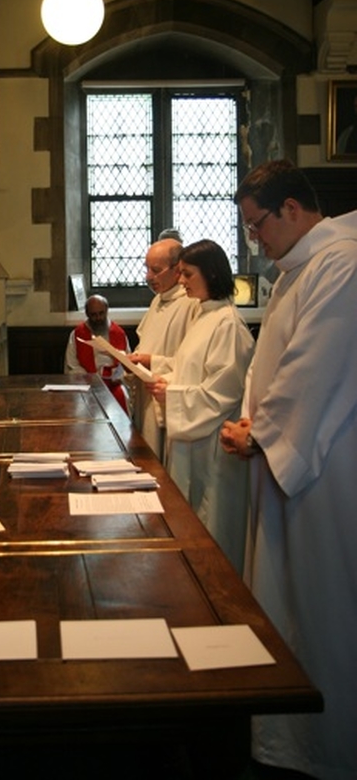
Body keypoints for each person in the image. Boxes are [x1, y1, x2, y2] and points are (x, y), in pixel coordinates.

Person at [220, 160, 357, 780]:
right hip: (283, 453)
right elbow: (268, 368)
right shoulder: (298, 270)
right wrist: (256, 422)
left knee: (321, 605)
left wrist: (265, 432)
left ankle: (325, 747)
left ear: (293, 209)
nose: (256, 240)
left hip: (325, 468)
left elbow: (314, 368)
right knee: (286, 600)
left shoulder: (342, 264)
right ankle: (285, 739)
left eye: (257, 226)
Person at [137, 240, 254, 572]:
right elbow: (188, 369)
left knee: (212, 526)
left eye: (188, 273)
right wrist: (166, 382)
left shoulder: (228, 324)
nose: (182, 280)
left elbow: (223, 392)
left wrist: (172, 395)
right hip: (192, 439)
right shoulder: (205, 316)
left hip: (213, 447)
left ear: (211, 273)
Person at [128, 237, 198, 458]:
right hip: (146, 398)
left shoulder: (192, 303)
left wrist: (151, 361)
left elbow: (193, 363)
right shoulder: (158, 300)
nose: (148, 276)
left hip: (168, 399)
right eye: (146, 268)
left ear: (177, 269)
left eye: (155, 270)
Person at [64, 294, 130, 412]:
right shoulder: (78, 334)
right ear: (87, 314)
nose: (98, 318)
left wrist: (117, 375)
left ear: (106, 311)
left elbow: (127, 361)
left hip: (114, 383)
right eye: (93, 315)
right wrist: (91, 378)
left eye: (101, 313)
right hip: (87, 384)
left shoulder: (119, 333)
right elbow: (72, 365)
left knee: (123, 397)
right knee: (81, 408)